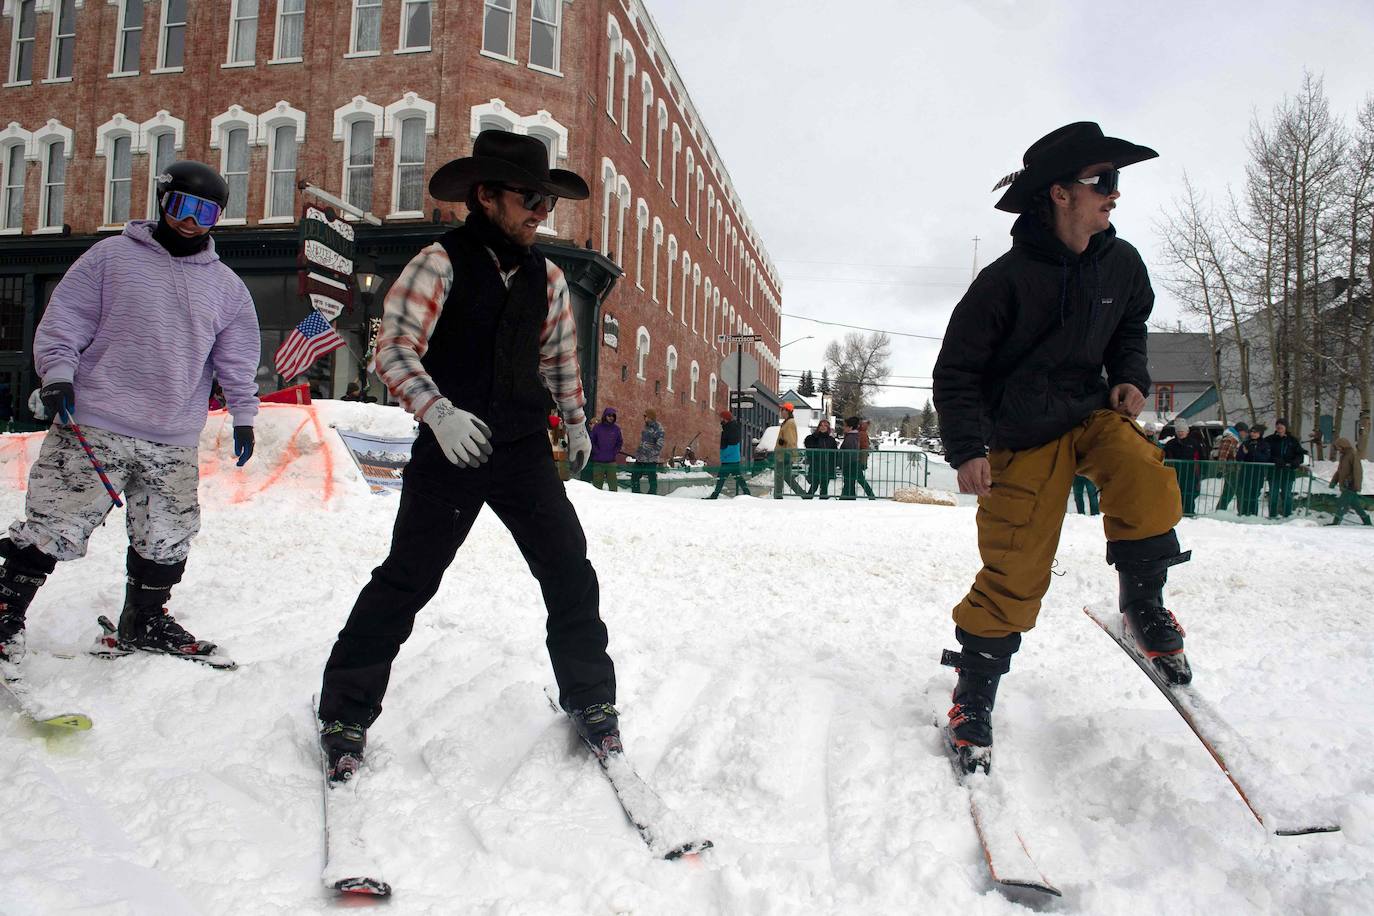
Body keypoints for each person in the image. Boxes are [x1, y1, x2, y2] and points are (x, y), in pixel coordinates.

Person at [316, 130, 618, 780]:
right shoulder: (439, 262)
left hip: (521, 450)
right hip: (450, 449)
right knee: (407, 580)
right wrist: (440, 412)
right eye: (530, 198)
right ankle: (345, 709)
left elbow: (559, 360)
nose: (542, 212)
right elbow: (393, 349)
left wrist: (574, 421)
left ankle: (592, 700)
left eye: (548, 201)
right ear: (487, 196)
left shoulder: (552, 278)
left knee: (570, 572)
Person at [932, 122, 1192, 773]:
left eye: (1116, 181)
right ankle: (974, 693)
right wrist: (968, 449)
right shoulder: (1005, 283)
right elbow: (956, 372)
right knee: (1016, 565)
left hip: (1091, 413)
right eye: (1101, 181)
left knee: (1145, 474)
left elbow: (1131, 324)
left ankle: (1143, 603)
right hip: (1022, 435)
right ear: (1059, 194)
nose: (1114, 195)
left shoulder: (1122, 263)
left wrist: (1131, 377)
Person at [0, 161, 260, 667]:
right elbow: (64, 323)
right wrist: (57, 376)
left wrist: (244, 414)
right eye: (183, 205)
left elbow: (237, 358)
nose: (191, 220)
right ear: (163, 200)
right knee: (56, 522)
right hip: (95, 422)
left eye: (206, 212)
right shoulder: (110, 258)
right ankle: (5, 607)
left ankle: (144, 618)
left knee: (168, 533)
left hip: (174, 434)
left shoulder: (226, 287)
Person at [1161, 418, 1207, 516]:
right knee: (1176, 493)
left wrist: (1202, 471)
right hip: (1175, 473)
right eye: (1178, 431)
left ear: (1187, 431)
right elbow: (1166, 456)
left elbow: (1202, 457)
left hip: (1191, 473)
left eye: (1182, 431)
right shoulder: (1171, 444)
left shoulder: (1194, 443)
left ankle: (1189, 512)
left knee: (1190, 493)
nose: (1180, 433)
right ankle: (1176, 512)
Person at [1263, 418, 1305, 518]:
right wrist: (1274, 459)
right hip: (1274, 472)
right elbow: (1265, 453)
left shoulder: (1293, 440)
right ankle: (1272, 515)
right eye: (1278, 425)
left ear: (1286, 427)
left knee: (1287, 495)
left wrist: (1297, 461)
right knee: (1273, 495)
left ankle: (1287, 516)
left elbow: (1300, 454)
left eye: (1282, 425)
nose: (1279, 427)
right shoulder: (1270, 439)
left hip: (1288, 472)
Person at [706, 409, 751, 498]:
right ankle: (747, 493)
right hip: (732, 458)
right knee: (737, 477)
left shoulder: (731, 428)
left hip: (729, 459)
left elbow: (732, 444)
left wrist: (725, 454)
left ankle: (714, 495)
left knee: (721, 478)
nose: (720, 420)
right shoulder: (729, 427)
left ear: (725, 419)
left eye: (721, 418)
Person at [1327, 437, 1371, 526]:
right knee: (1357, 506)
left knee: (1342, 503)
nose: (1338, 449)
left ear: (1343, 445)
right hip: (1346, 485)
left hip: (1350, 485)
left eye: (1338, 446)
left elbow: (1358, 471)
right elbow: (1340, 471)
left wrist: (1355, 485)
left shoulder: (1352, 455)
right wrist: (1333, 482)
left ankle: (1336, 522)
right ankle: (1367, 522)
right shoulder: (1343, 456)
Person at [773, 402, 809, 498]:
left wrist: (790, 454)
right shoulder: (787, 422)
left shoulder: (789, 423)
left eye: (783, 410)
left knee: (780, 476)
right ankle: (802, 494)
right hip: (784, 454)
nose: (781, 412)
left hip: (784, 455)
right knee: (786, 477)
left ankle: (778, 495)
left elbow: (791, 440)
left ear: (787, 411)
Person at [1237, 424, 1270, 516]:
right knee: (1245, 494)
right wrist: (1243, 453)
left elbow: (1266, 458)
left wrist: (1251, 452)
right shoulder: (1246, 443)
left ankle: (1253, 514)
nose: (1253, 434)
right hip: (1245, 472)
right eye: (1252, 432)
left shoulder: (1264, 444)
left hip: (1258, 473)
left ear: (1260, 433)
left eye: (1255, 432)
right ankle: (1243, 513)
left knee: (1254, 494)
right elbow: (1238, 458)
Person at [630, 408, 664, 495]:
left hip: (651, 459)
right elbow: (643, 442)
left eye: (645, 416)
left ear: (650, 417)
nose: (644, 418)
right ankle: (636, 493)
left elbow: (659, 445)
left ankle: (652, 495)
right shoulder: (645, 427)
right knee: (635, 475)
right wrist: (639, 452)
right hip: (641, 458)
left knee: (651, 478)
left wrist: (650, 454)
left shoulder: (658, 428)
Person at [588, 407, 622, 491]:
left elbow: (619, 442)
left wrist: (614, 452)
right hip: (598, 462)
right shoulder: (597, 428)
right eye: (609, 415)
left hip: (611, 462)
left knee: (613, 486)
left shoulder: (616, 429)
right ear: (605, 416)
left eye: (613, 416)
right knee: (597, 487)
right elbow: (592, 441)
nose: (611, 417)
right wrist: (596, 452)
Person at [803, 418, 839, 499]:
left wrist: (835, 464)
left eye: (825, 425)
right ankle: (807, 501)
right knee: (814, 485)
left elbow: (835, 453)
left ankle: (822, 504)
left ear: (828, 428)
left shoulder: (831, 440)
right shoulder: (812, 438)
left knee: (824, 487)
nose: (823, 427)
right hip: (816, 466)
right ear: (818, 427)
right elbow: (808, 446)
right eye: (821, 425)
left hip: (827, 467)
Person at [1214, 424, 1244, 512]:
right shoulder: (1229, 439)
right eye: (1244, 432)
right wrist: (1220, 468)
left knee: (1228, 492)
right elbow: (1223, 455)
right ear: (1240, 431)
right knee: (1239, 491)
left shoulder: (1234, 439)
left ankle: (1220, 510)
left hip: (1232, 469)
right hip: (1230, 469)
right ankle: (1242, 512)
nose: (1245, 434)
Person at [854, 418, 878, 499]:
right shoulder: (862, 433)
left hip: (858, 458)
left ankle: (870, 495)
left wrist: (863, 462)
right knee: (855, 478)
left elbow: (863, 447)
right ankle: (848, 495)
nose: (864, 426)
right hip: (860, 458)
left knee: (858, 478)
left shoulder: (861, 433)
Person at [547, 413, 570, 482]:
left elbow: (565, 446)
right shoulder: (549, 433)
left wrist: (563, 441)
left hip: (562, 458)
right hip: (553, 457)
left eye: (562, 423)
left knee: (563, 477)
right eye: (560, 423)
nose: (561, 424)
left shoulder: (563, 433)